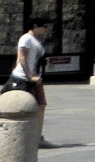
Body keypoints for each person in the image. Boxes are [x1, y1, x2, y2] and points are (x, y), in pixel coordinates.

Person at [4, 18, 59, 149]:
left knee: (41, 105)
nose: (45, 29)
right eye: (44, 26)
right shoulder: (26, 38)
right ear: (35, 26)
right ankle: (20, 135)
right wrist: (30, 76)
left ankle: (37, 136)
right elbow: (22, 57)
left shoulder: (35, 40)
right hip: (24, 78)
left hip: (35, 78)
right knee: (20, 106)